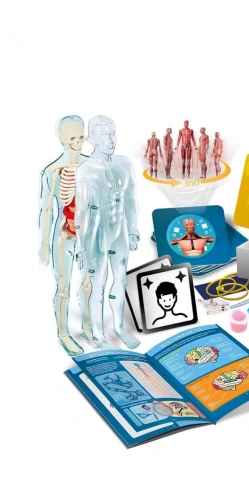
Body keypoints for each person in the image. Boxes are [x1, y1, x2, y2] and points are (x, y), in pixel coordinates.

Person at [75, 115, 140, 350]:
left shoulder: (124, 164)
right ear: (92, 138)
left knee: (120, 279)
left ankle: (119, 327)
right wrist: (81, 245)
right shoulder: (85, 171)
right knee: (98, 281)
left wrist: (133, 229)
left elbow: (131, 199)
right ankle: (99, 333)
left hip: (119, 230)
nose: (111, 140)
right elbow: (81, 211)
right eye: (104, 135)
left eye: (112, 134)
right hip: (96, 233)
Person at [39, 115, 94, 356]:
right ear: (62, 140)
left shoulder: (91, 165)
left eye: (81, 137)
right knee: (63, 286)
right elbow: (46, 209)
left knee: (88, 283)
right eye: (73, 139)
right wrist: (43, 243)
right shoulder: (52, 171)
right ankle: (63, 333)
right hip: (64, 233)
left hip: (87, 232)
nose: (78, 143)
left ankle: (88, 328)